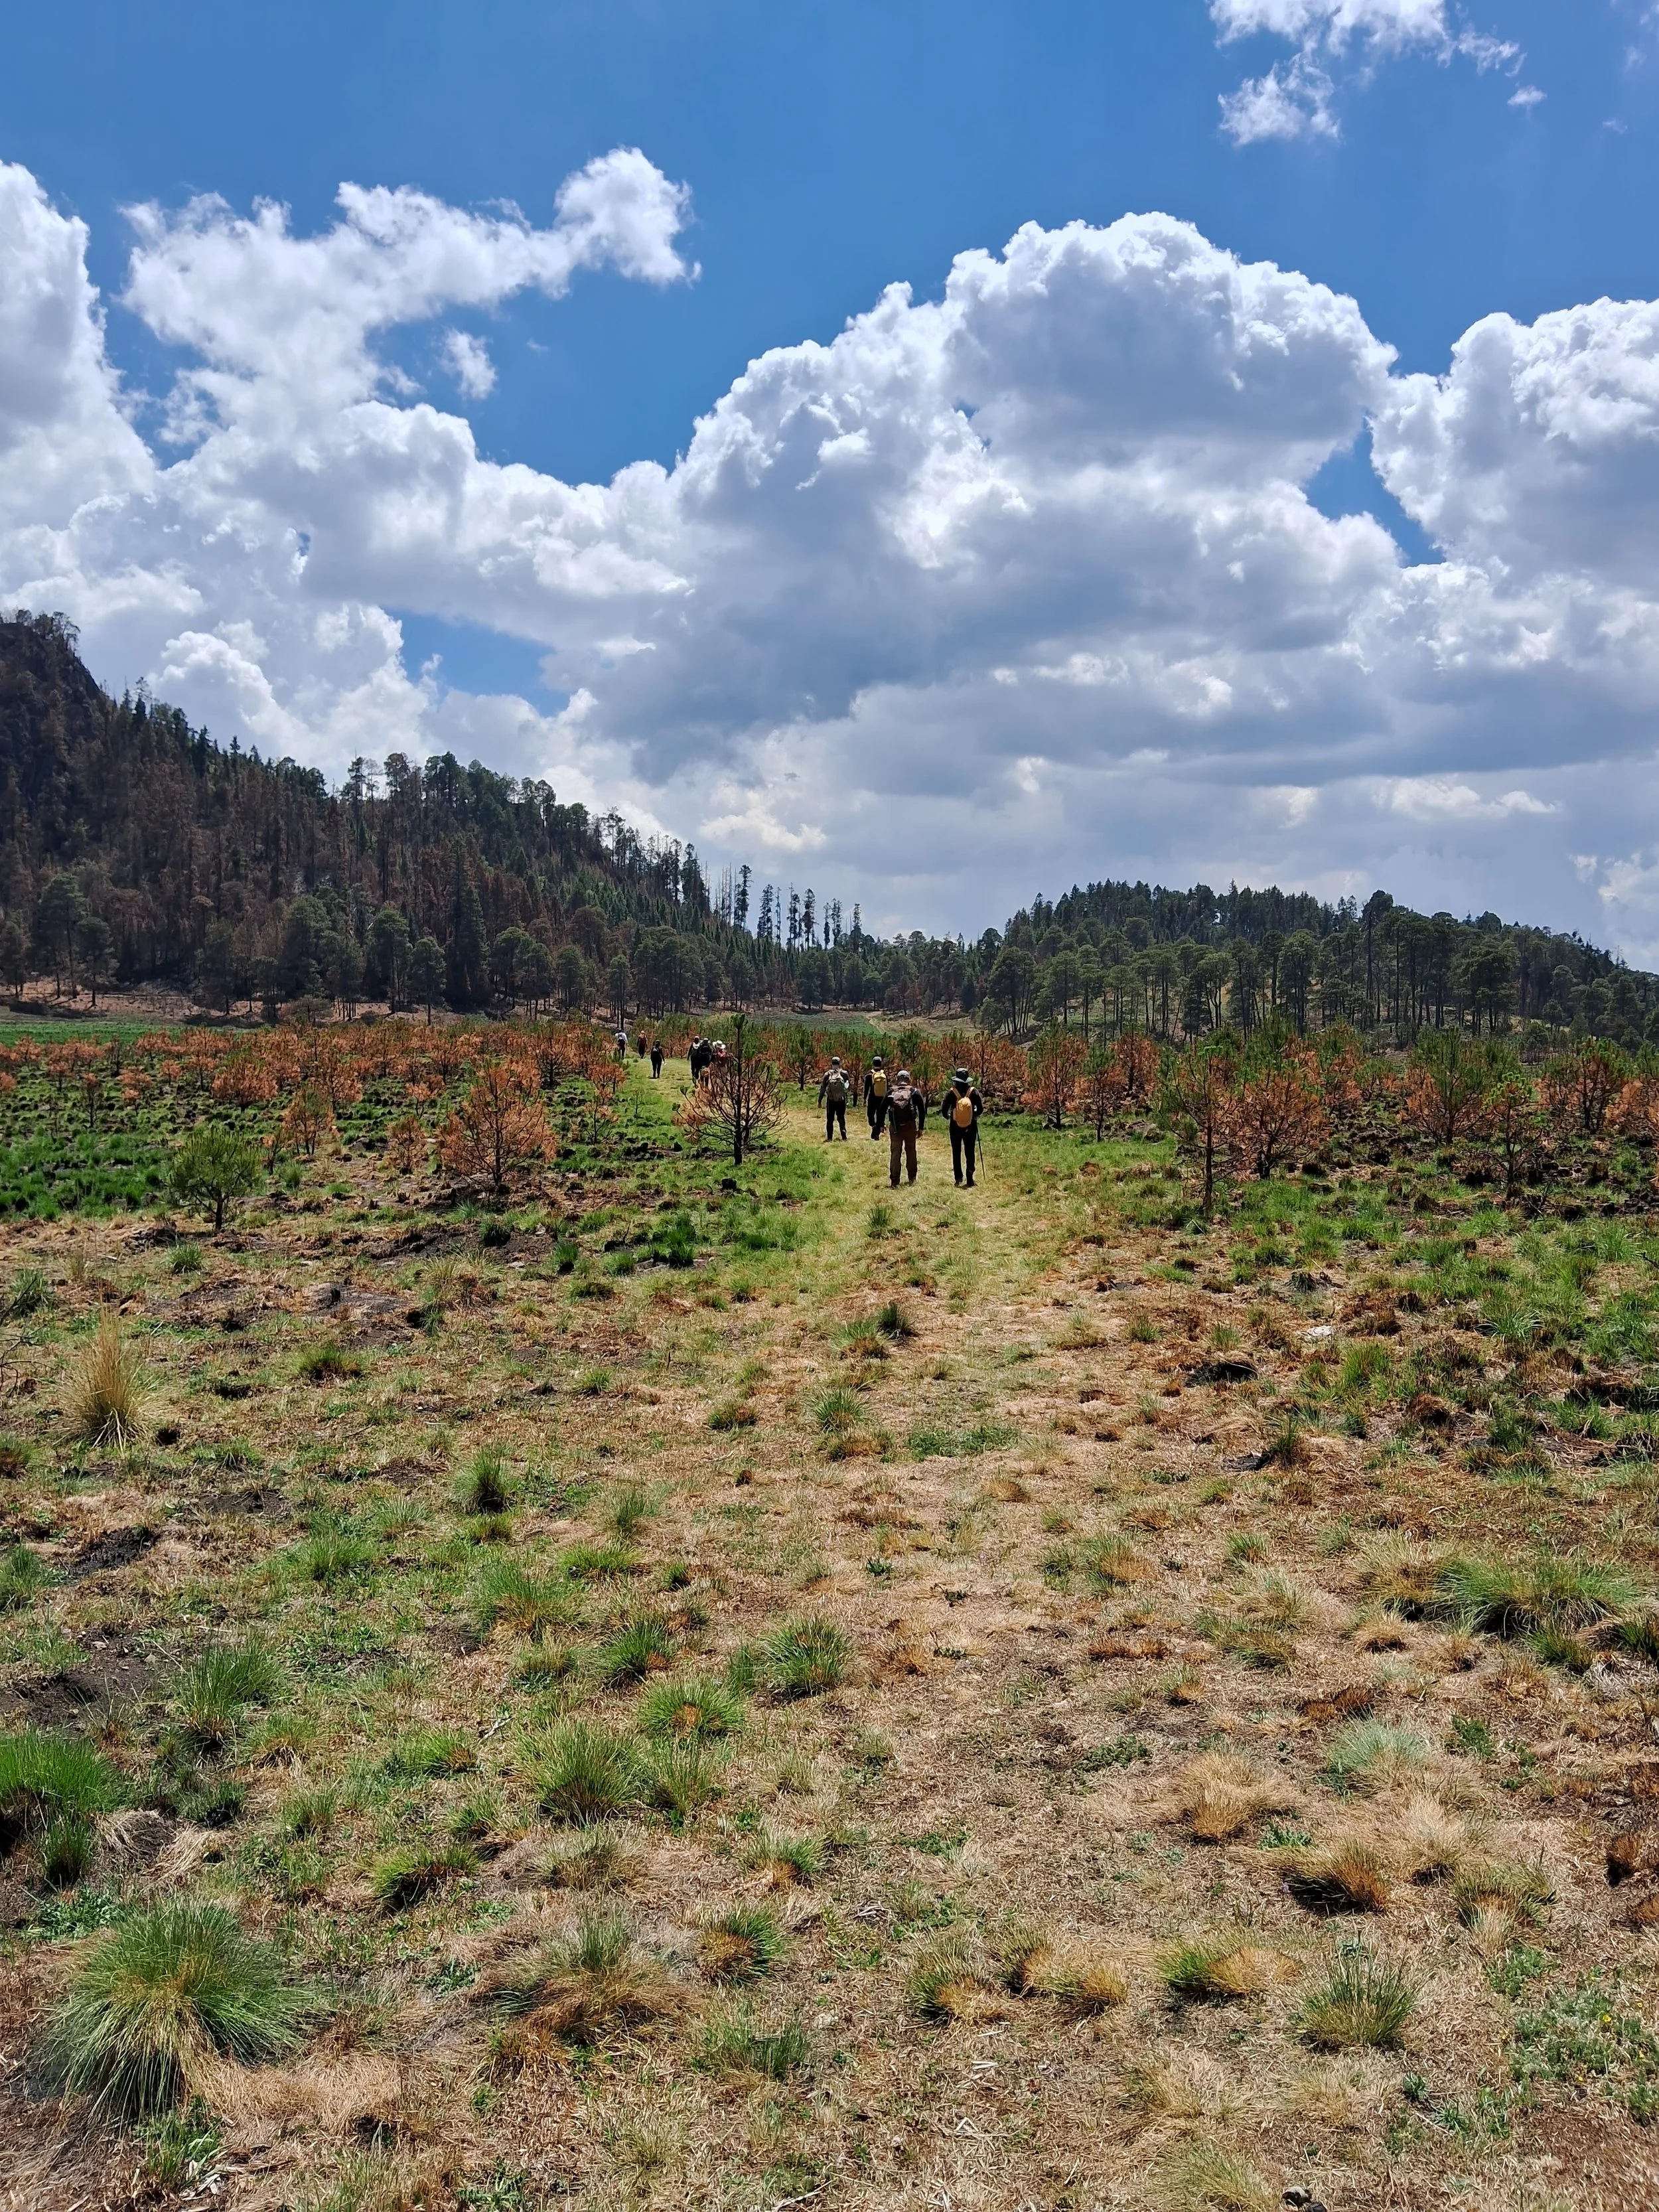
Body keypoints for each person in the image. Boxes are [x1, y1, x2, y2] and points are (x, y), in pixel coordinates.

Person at [941, 1065, 983, 1187]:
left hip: (955, 1126)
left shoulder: (952, 1093)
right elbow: (980, 1109)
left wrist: (949, 1116)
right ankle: (970, 1173)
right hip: (970, 1126)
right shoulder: (973, 1092)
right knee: (970, 1150)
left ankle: (958, 1177)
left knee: (956, 1151)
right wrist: (973, 1114)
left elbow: (944, 1110)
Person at [886, 1067, 925, 1187]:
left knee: (896, 1153)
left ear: (898, 1079)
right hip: (910, 1126)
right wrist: (921, 1128)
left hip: (895, 1127)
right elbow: (922, 1110)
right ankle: (912, 1177)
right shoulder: (914, 1091)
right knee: (911, 1151)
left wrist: (880, 1125)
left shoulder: (891, 1092)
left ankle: (895, 1180)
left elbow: (882, 1108)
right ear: (909, 1079)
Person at [818, 1054, 851, 1140]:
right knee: (841, 1118)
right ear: (839, 1063)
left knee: (830, 1119)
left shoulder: (827, 1074)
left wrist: (820, 1100)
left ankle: (829, 1138)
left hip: (831, 1100)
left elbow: (823, 1088)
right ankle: (844, 1137)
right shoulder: (844, 1074)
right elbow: (847, 1087)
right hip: (841, 1100)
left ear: (831, 1063)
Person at [864, 1053, 890, 1141]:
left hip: (872, 1098)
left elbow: (866, 1089)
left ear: (873, 1063)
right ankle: (877, 1133)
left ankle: (874, 1127)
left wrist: (864, 1099)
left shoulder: (869, 1075)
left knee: (870, 1115)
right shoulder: (884, 1075)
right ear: (881, 1064)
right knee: (880, 1115)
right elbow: (888, 1088)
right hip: (882, 1098)